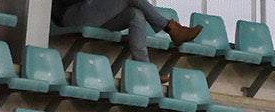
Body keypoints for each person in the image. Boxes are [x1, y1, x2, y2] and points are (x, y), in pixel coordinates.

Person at [50, 0, 201, 65]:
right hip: (69, 14)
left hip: (92, 12)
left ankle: (143, 70)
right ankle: (170, 28)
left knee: (135, 14)